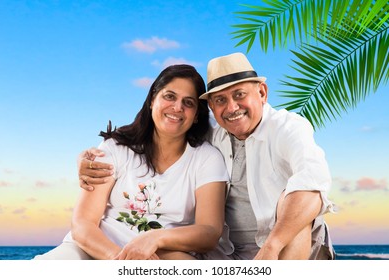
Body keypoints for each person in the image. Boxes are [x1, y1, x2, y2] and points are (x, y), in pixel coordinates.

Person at [77, 53, 336, 260]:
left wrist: (272, 247)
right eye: (220, 100)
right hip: (227, 256)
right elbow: (167, 125)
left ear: (262, 93)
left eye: (239, 95)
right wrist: (91, 157)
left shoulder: (288, 128)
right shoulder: (212, 132)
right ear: (210, 107)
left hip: (283, 250)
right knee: (165, 255)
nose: (231, 107)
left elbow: (313, 185)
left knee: (296, 204)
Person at [34, 64, 228, 260]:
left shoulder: (207, 158)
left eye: (188, 102)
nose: (177, 107)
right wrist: (121, 260)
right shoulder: (115, 148)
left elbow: (209, 232)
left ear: (196, 116)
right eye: (169, 96)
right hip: (95, 248)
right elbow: (83, 224)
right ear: (152, 100)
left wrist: (155, 239)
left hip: (162, 254)